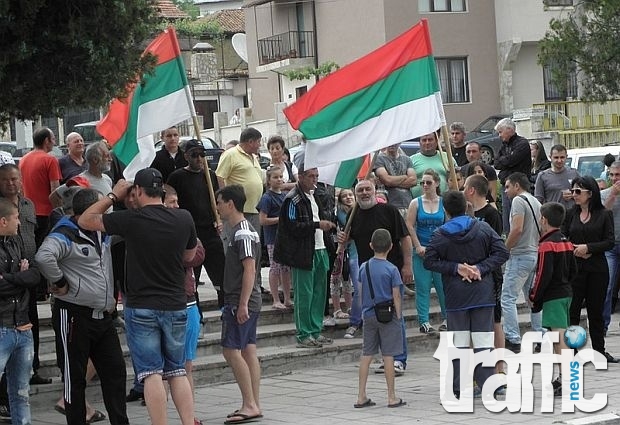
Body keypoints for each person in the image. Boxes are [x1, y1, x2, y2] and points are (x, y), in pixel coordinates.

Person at [78, 167, 198, 425]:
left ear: (138, 191)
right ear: (162, 191)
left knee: (151, 373)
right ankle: (189, 421)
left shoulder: (131, 219)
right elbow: (189, 257)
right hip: (176, 303)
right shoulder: (184, 218)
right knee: (177, 370)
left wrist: (113, 196)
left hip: (142, 305)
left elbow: (85, 220)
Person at [35, 188, 128, 425]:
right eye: (101, 208)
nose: (104, 212)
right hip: (74, 314)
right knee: (73, 378)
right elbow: (44, 257)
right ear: (89, 211)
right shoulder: (66, 232)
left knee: (115, 372)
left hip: (103, 316)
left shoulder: (102, 231)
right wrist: (61, 282)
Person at [423, 191, 509, 401]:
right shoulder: (483, 228)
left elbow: (429, 261)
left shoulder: (440, 235)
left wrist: (456, 268)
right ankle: (490, 384)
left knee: (459, 343)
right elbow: (502, 253)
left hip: (456, 296)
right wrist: (480, 267)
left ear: (445, 211)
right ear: (466, 206)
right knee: (483, 341)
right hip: (482, 293)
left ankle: (460, 387)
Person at [338, 179, 413, 374]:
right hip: (368, 275)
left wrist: (407, 265)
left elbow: (405, 238)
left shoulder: (389, 211)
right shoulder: (353, 215)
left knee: (394, 315)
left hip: (391, 271)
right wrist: (343, 240)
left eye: (367, 189)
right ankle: (387, 357)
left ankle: (399, 359)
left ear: (374, 191)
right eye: (360, 190)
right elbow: (346, 242)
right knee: (376, 317)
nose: (364, 193)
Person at [274, 165, 336, 348]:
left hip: (321, 248)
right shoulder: (292, 199)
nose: (315, 180)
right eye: (311, 176)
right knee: (304, 294)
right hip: (303, 252)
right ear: (300, 176)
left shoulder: (316, 195)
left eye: (316, 176)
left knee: (319, 293)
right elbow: (291, 227)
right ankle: (304, 333)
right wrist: (317, 225)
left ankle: (316, 330)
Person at [215, 185, 263, 424]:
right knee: (248, 349)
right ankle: (253, 402)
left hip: (240, 300)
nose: (218, 206)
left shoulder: (243, 232)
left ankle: (250, 404)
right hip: (245, 299)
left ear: (230, 204)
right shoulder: (241, 230)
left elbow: (249, 269)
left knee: (231, 350)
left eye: (220, 202)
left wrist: (242, 303)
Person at [18, 127, 61, 386]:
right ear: (47, 141)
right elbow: (55, 190)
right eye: (53, 139)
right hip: (44, 212)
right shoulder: (50, 159)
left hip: (26, 214)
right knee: (46, 255)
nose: (54, 143)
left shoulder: (23, 159)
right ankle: (46, 287)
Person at [563, 175, 618, 363]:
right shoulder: (570, 214)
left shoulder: (604, 214)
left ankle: (599, 351)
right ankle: (572, 351)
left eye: (578, 191)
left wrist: (589, 248)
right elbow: (562, 237)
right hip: (575, 269)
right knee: (573, 312)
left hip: (597, 269)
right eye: (572, 191)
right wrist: (574, 249)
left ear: (590, 193)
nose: (574, 195)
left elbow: (609, 241)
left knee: (596, 311)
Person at [163, 186, 205, 425]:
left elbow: (198, 254)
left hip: (188, 303)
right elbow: (190, 254)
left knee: (186, 366)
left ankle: (188, 416)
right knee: (165, 371)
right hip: (171, 304)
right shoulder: (162, 229)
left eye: (177, 201)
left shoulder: (183, 225)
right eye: (171, 202)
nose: (176, 206)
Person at [167, 139, 226, 308]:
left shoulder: (210, 175)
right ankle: (196, 316)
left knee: (221, 275)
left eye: (202, 155)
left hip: (210, 231)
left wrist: (219, 219)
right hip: (190, 234)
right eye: (195, 155)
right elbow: (170, 201)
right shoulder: (177, 177)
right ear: (186, 156)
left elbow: (217, 200)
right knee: (192, 278)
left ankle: (225, 310)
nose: (199, 159)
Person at [354, 228, 406, 409]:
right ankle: (391, 396)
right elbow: (397, 295)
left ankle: (361, 395)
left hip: (368, 314)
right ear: (391, 247)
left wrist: (363, 311)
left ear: (370, 246)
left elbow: (360, 292)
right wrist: (398, 316)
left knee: (366, 354)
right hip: (388, 315)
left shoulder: (363, 267)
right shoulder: (392, 270)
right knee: (388, 356)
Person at [0, 198, 41, 425]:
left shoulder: (16, 243)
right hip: (2, 327)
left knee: (21, 394)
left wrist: (12, 278)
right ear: (3, 220)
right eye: (16, 218)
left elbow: (34, 274)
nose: (19, 223)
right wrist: (20, 277)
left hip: (22, 327)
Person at [528, 202, 575, 397]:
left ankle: (567, 379)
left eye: (540, 218)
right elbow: (574, 270)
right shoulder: (566, 241)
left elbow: (542, 274)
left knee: (560, 338)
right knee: (558, 338)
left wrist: (534, 296)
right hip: (566, 293)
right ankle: (562, 378)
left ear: (544, 220)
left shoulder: (546, 244)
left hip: (553, 296)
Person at [216, 127, 266, 292]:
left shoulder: (254, 157)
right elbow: (220, 175)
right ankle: (238, 287)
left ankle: (254, 285)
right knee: (236, 250)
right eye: (258, 142)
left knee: (254, 250)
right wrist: (226, 200)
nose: (260, 145)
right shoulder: (230, 154)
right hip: (237, 213)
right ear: (250, 141)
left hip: (254, 211)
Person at [463, 174, 505, 366]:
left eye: (465, 187)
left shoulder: (491, 214)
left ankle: (498, 367)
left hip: (490, 274)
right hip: (470, 275)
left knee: (495, 322)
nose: (462, 190)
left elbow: (496, 247)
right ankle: (476, 368)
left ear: (471, 190)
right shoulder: (465, 213)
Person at [501, 172, 543, 353]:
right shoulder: (536, 202)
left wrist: (504, 249)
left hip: (520, 255)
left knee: (507, 298)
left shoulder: (518, 201)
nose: (505, 190)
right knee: (532, 299)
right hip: (534, 253)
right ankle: (540, 337)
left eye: (508, 186)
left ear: (517, 186)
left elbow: (517, 229)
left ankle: (513, 338)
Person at [406, 169, 447, 333]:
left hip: (440, 251)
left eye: (428, 182)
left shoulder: (443, 203)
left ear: (437, 183)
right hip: (421, 249)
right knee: (422, 287)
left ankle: (447, 318)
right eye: (422, 182)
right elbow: (409, 225)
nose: (425, 185)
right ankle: (424, 320)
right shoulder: (416, 203)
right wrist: (417, 246)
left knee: (442, 286)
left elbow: (449, 225)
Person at [257, 166, 293, 310]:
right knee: (275, 267)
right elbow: (262, 220)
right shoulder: (267, 198)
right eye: (275, 177)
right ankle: (275, 299)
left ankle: (287, 298)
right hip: (273, 238)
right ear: (269, 180)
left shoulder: (284, 196)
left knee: (285, 268)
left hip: (284, 237)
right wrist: (280, 219)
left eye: (280, 177)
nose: (279, 180)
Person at [493, 118, 531, 233]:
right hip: (506, 183)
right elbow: (496, 163)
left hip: (520, 185)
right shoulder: (504, 145)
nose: (499, 135)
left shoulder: (522, 144)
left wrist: (505, 161)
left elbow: (511, 161)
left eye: (500, 132)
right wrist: (506, 162)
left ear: (509, 130)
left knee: (519, 212)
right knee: (507, 213)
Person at [51, 141, 114, 211]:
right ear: (95, 160)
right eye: (107, 156)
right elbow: (54, 197)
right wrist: (64, 217)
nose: (110, 159)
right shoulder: (80, 181)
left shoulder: (107, 179)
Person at [336, 189, 362, 339]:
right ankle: (355, 322)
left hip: (370, 254)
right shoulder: (342, 213)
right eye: (344, 196)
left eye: (350, 195)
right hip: (353, 254)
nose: (348, 198)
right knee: (358, 288)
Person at [374, 143, 417, 217]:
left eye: (395, 142)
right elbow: (387, 180)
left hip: (408, 204)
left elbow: (413, 181)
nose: (392, 144)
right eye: (390, 141)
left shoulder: (407, 159)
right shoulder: (379, 159)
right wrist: (404, 176)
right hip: (390, 205)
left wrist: (392, 181)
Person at [410, 132, 457, 198]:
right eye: (424, 140)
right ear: (419, 143)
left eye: (430, 140)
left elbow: (457, 177)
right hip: (418, 201)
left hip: (444, 200)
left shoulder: (447, 157)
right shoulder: (411, 160)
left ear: (436, 141)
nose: (427, 143)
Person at [602, 161, 620, 330]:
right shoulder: (604, 194)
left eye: (618, 175)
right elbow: (600, 216)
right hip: (610, 247)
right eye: (612, 175)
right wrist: (612, 196)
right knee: (606, 287)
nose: (614, 179)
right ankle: (603, 326)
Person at [534, 144, 579, 210]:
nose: (559, 161)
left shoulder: (574, 173)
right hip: (552, 216)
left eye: (562, 157)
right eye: (556, 157)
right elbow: (538, 200)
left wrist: (573, 195)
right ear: (550, 157)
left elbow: (583, 194)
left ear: (566, 157)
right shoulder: (542, 176)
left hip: (572, 215)